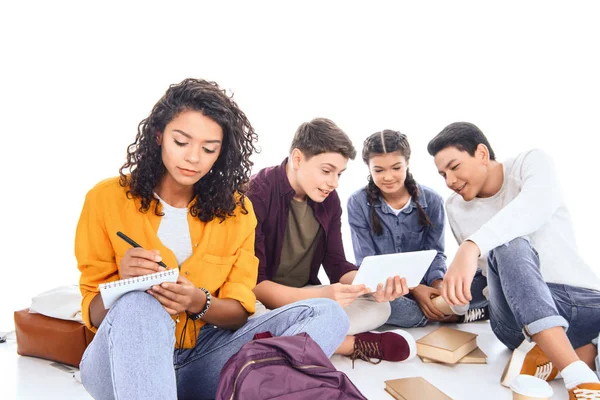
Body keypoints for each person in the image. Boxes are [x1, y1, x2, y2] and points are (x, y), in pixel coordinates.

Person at [76, 79, 350, 400]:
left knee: (327, 314)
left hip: (201, 359)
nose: (194, 158)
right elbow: (92, 313)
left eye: (209, 149)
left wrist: (197, 302)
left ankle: (241, 387)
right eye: (182, 142)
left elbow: (239, 311)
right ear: (159, 136)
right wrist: (124, 281)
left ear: (222, 153)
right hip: (121, 361)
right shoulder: (105, 199)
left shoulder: (236, 211)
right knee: (139, 303)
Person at [428, 122, 600, 396]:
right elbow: (486, 275)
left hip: (581, 302)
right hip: (516, 321)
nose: (449, 181)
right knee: (507, 246)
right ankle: (577, 374)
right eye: (442, 174)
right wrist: (453, 298)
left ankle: (564, 356)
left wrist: (471, 245)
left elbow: (535, 207)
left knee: (507, 239)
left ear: (481, 154)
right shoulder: (456, 207)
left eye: (455, 166)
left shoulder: (530, 163)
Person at [248, 118, 416, 366]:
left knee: (381, 307)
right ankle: (347, 344)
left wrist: (371, 284)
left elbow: (336, 264)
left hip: (306, 297)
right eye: (326, 171)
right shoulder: (257, 193)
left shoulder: (329, 200)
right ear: (297, 159)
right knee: (248, 316)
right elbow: (256, 284)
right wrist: (327, 296)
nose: (334, 183)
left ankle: (294, 339)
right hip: (263, 299)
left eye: (339, 174)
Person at [347, 130, 489, 329]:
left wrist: (439, 285)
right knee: (387, 306)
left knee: (482, 280)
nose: (388, 177)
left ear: (407, 163)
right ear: (369, 169)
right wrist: (415, 290)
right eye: (379, 170)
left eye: (396, 167)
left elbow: (436, 253)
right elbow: (366, 263)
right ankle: (453, 314)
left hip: (427, 285)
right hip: (387, 291)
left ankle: (440, 308)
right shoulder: (358, 203)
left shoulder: (432, 200)